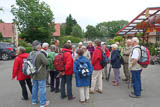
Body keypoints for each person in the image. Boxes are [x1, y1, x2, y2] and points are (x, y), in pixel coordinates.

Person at [31, 40, 49, 107]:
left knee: (35, 87)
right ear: (38, 47)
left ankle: (34, 101)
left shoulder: (31, 53)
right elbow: (46, 62)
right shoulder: (40, 54)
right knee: (42, 88)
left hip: (33, 74)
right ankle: (43, 103)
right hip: (40, 74)